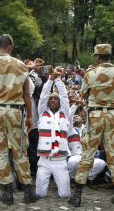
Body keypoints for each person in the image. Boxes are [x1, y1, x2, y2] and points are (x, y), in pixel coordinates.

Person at [0, 34, 38, 205]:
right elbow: (27, 94)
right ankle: (28, 191)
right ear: (10, 48)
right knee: (19, 150)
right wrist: (29, 117)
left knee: (0, 152)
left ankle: (7, 193)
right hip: (16, 112)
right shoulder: (21, 65)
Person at [68, 44, 114, 207]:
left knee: (88, 153)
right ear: (110, 55)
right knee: (113, 154)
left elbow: (84, 93)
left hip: (95, 115)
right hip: (113, 114)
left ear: (97, 56)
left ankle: (77, 196)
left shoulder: (90, 73)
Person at [35, 67, 71, 198]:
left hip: (60, 161)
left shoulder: (64, 114)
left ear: (59, 102)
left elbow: (64, 96)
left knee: (65, 195)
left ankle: (60, 183)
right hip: (44, 161)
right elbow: (43, 96)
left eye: (56, 99)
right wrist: (50, 79)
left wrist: (58, 80)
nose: (53, 100)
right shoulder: (42, 113)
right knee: (40, 194)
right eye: (51, 99)